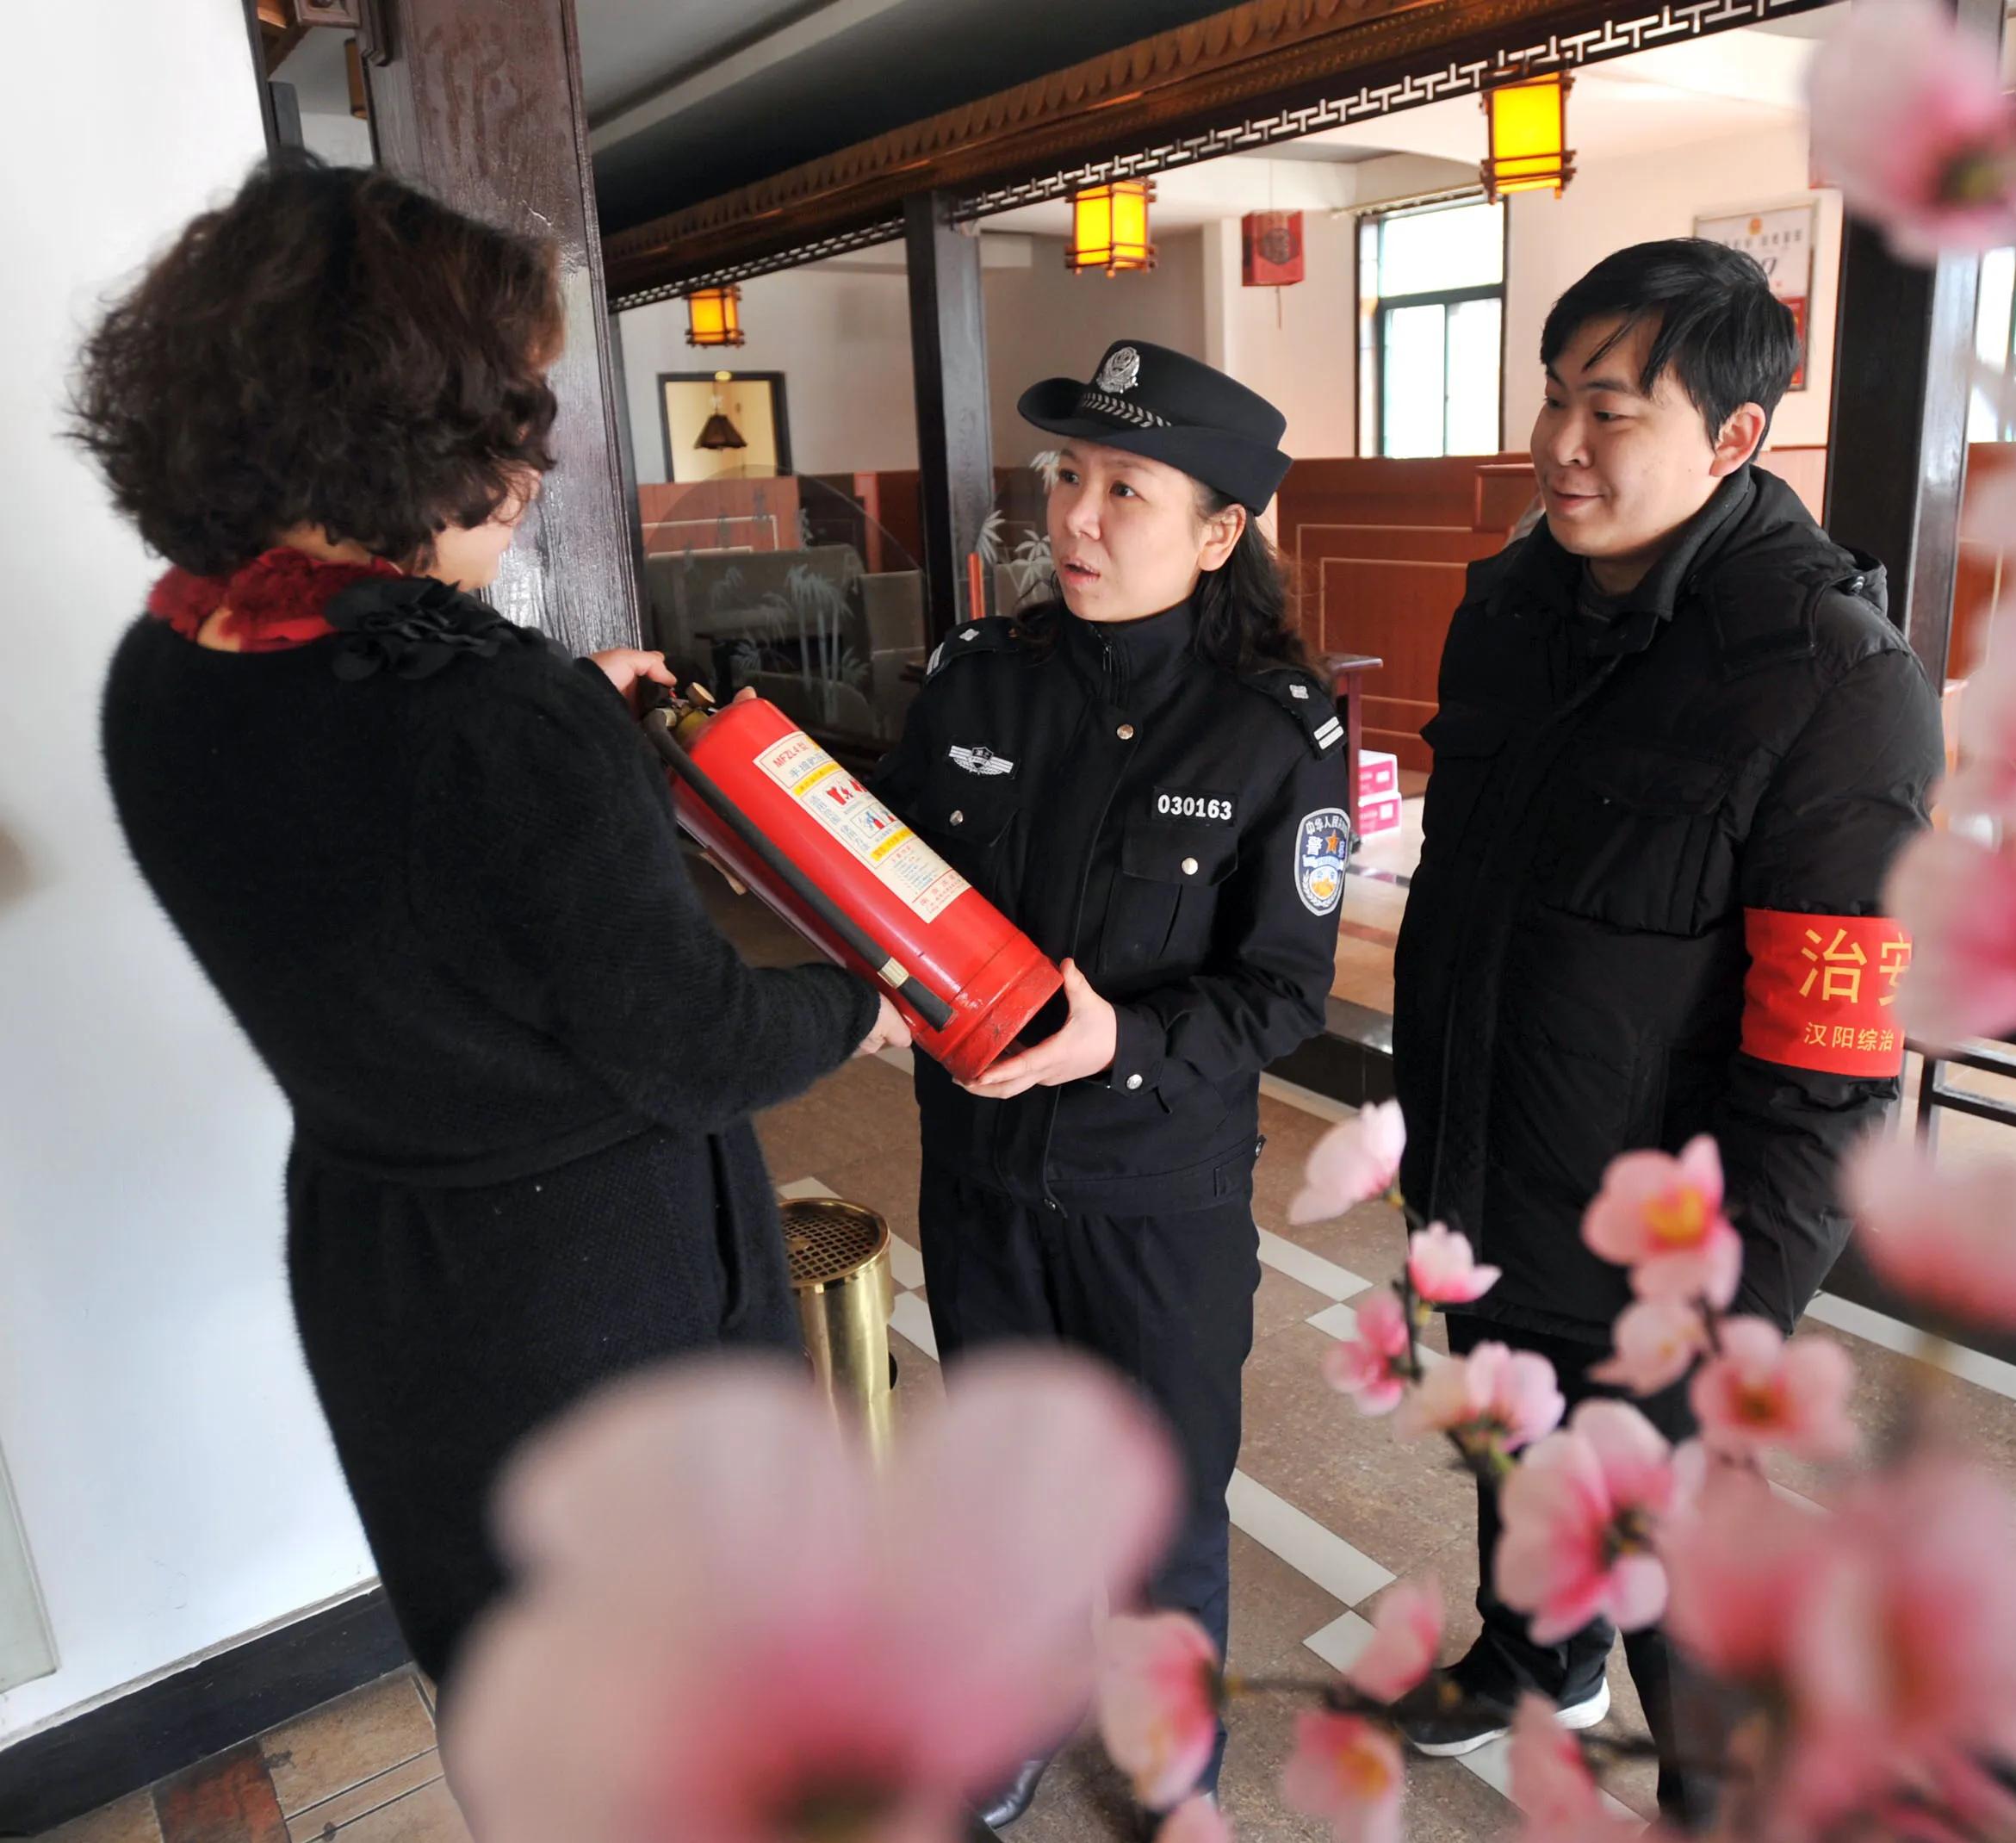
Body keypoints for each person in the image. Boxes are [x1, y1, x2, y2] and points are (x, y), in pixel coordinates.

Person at [78, 155, 903, 1686]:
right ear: (408, 426)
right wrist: (869, 990)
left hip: (392, 1266)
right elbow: (695, 1046)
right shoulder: (484, 723)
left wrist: (565, 734)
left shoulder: (175, 663)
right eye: (511, 419)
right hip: (590, 1309)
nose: (530, 471)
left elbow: (372, 848)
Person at [1390, 239, 1945, 1819]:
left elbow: (1832, 1073)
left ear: (1734, 439)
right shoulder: (1507, 610)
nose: (1563, 442)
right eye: (1555, 396)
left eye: (1613, 409)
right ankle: (1527, 1653)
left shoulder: (1832, 681)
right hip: (1493, 1166)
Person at [871, 339, 1348, 1830]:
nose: (1074, 517)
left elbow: (1282, 994)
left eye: (1125, 489)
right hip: (983, 1179)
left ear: (1218, 537)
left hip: (1159, 1196)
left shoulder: (1278, 735)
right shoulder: (974, 683)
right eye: (1066, 477)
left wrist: (1119, 1045)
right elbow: (885, 875)